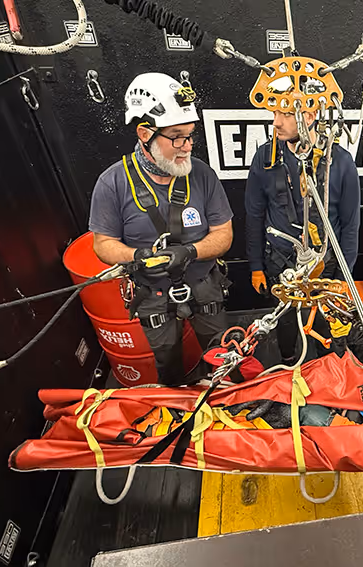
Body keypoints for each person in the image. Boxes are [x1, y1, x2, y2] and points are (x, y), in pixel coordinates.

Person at [88, 72, 234, 385]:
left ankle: (226, 397)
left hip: (204, 283)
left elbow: (224, 234)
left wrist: (191, 251)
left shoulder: (202, 175)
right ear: (145, 133)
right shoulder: (112, 183)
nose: (187, 147)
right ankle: (175, 399)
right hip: (152, 292)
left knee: (222, 352)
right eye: (177, 137)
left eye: (190, 136)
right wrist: (135, 256)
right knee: (166, 361)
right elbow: (103, 244)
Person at [244, 106, 361, 365]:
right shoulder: (265, 158)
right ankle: (288, 361)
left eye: (285, 114)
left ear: (309, 115)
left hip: (325, 265)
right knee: (285, 322)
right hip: (281, 264)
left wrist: (343, 279)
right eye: (274, 113)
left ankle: (328, 369)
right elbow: (254, 215)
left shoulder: (340, 162)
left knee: (327, 328)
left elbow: (350, 225)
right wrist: (256, 267)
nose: (276, 122)